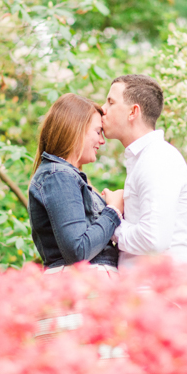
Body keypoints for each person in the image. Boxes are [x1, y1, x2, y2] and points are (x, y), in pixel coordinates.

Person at [100, 74, 187, 268]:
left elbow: (153, 239)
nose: (103, 109)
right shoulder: (145, 158)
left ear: (133, 112)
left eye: (111, 102)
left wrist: (112, 218)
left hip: (158, 292)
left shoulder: (157, 158)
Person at [29, 93, 124, 275]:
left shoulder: (67, 176)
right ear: (76, 129)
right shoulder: (58, 176)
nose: (102, 141)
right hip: (83, 284)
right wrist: (113, 211)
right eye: (98, 132)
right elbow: (78, 251)